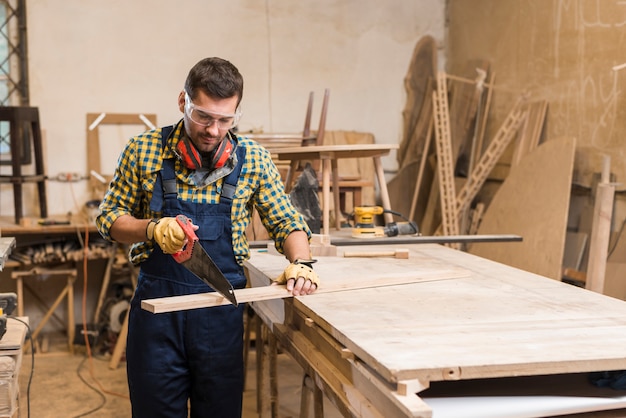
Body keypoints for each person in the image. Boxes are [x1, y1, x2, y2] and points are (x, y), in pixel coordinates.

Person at [96, 57, 319, 418]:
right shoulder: (143, 150)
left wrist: (302, 262)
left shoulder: (254, 160)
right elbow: (108, 219)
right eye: (203, 116)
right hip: (158, 316)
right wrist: (151, 229)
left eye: (225, 120)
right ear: (183, 102)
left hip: (220, 316)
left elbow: (287, 221)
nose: (214, 130)